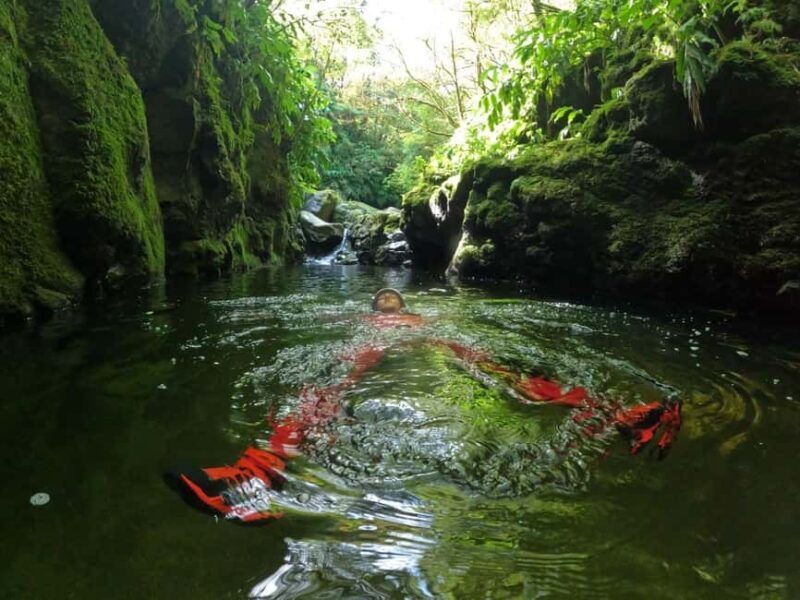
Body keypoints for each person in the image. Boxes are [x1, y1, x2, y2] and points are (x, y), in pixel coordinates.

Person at [167, 289, 681, 523]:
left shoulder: (424, 318)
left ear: (405, 304)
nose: (388, 298)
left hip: (436, 343)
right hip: (370, 349)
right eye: (382, 297)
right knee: (321, 384)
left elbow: (461, 331)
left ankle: (625, 417)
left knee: (515, 378)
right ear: (373, 307)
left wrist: (434, 332)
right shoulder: (364, 323)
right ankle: (253, 477)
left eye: (394, 297)